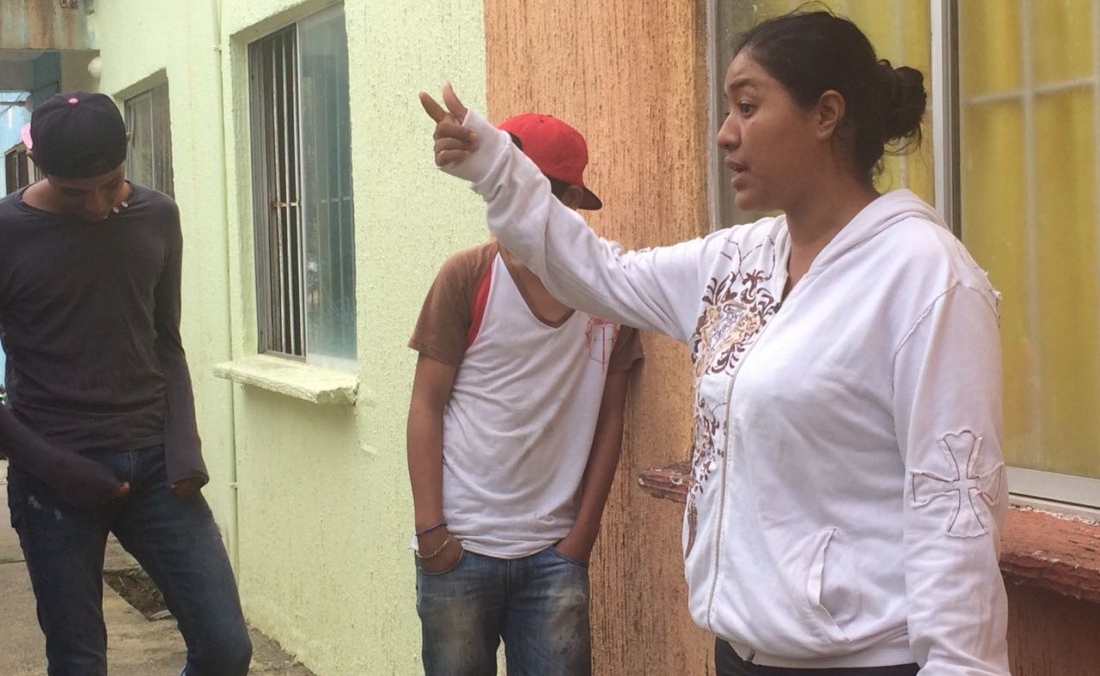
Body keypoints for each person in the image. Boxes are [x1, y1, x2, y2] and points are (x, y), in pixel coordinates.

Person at [419, 8, 1011, 676]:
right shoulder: (738, 260)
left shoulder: (926, 277)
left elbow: (954, 507)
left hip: (865, 661)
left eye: (748, 107)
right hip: (740, 651)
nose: (726, 134)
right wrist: (497, 167)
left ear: (826, 114)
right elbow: (603, 274)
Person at [0, 91, 252, 676]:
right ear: (38, 165)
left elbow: (166, 339)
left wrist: (184, 447)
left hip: (157, 471)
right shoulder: (6, 232)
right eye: (74, 193)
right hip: (53, 477)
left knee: (226, 648)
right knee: (79, 661)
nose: (95, 206)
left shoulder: (158, 215)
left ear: (129, 149)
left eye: (110, 185)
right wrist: (55, 467)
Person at [406, 111, 642, 676]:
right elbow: (426, 407)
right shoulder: (467, 277)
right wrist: (432, 533)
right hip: (460, 549)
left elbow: (611, 420)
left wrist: (581, 539)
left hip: (554, 558)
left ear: (568, 201)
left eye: (524, 191)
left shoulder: (611, 290)